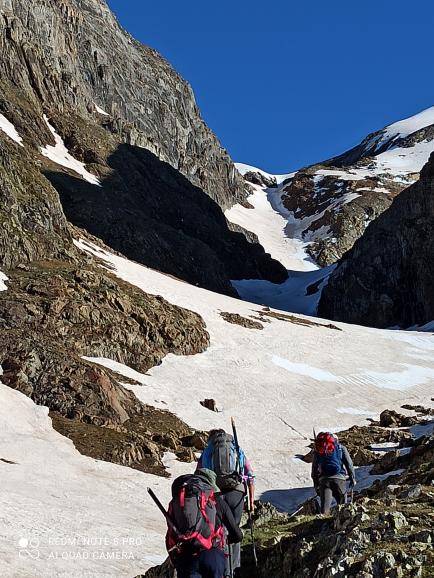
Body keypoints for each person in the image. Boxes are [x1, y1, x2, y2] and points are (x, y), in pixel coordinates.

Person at [197, 430, 254, 578]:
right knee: (235, 529)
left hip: (216, 494)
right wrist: (251, 502)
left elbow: (199, 476)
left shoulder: (208, 451)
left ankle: (223, 571)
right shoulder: (236, 449)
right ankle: (235, 570)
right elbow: (250, 476)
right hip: (237, 493)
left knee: (219, 531)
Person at [169, 468, 243, 578]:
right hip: (212, 556)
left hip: (187, 558)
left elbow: (170, 534)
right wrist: (227, 539)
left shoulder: (180, 502)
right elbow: (237, 535)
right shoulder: (218, 502)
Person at [311, 432, 356, 514]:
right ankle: (341, 520)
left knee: (325, 510)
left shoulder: (318, 450)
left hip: (324, 481)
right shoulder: (340, 448)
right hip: (339, 479)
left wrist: (316, 485)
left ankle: (323, 521)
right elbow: (349, 464)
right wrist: (352, 478)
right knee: (343, 507)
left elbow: (314, 470)